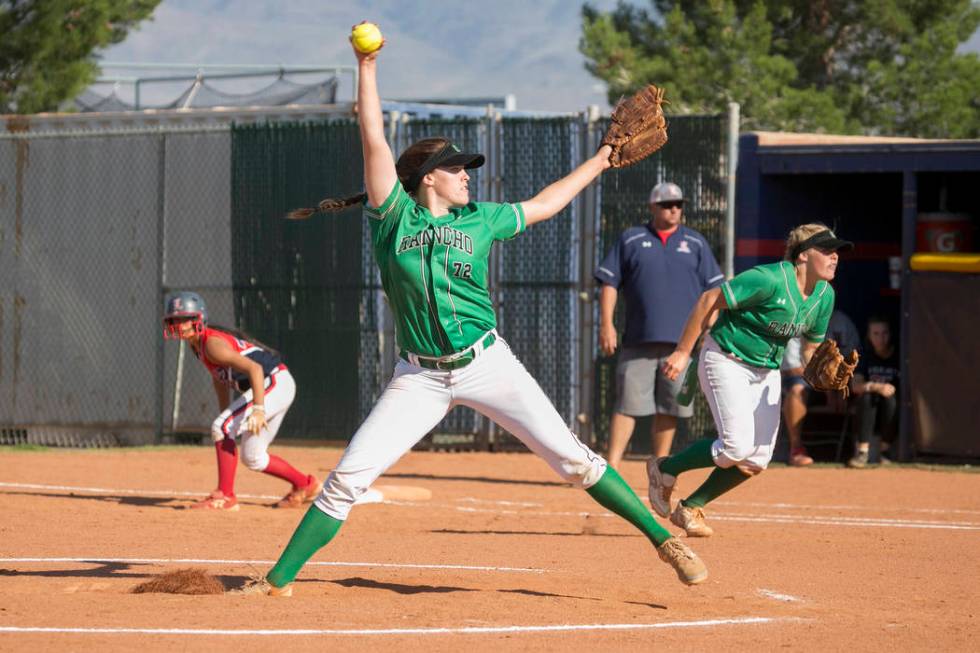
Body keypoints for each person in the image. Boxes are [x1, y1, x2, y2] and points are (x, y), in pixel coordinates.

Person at [235, 32, 706, 595]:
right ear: (428, 177)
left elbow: (547, 202)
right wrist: (365, 67)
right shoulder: (394, 219)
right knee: (345, 481)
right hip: (419, 377)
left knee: (574, 462)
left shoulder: (480, 220)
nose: (467, 176)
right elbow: (373, 140)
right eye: (457, 169)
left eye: (467, 170)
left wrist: (602, 159)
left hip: (487, 362)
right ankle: (275, 581)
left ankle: (663, 539)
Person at [648, 224, 853, 537]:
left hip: (765, 370)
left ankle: (690, 507)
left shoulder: (825, 296)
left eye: (836, 250)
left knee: (756, 459)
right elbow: (707, 301)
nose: (834, 256)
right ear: (802, 256)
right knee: (735, 447)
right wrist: (682, 351)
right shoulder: (769, 279)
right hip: (726, 358)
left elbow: (809, 348)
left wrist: (819, 371)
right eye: (826, 250)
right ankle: (665, 468)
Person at [595, 182, 724, 469]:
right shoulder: (631, 238)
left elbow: (713, 292)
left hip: (681, 345)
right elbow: (609, 283)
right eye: (667, 204)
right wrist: (606, 324)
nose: (674, 209)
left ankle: (660, 465)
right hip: (638, 339)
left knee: (671, 407)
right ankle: (611, 468)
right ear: (652, 207)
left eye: (679, 204)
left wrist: (708, 331)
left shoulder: (696, 242)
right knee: (626, 404)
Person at [162, 291, 322, 510]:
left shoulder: (211, 343)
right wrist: (225, 412)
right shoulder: (197, 346)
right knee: (253, 456)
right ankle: (305, 484)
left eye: (184, 319)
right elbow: (218, 379)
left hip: (273, 381)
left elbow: (255, 369)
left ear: (199, 319)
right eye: (174, 320)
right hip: (276, 385)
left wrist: (258, 409)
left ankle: (225, 496)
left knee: (222, 427)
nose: (178, 324)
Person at [847, 316, 900, 468]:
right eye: (875, 334)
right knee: (866, 397)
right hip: (869, 406)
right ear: (868, 336)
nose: (880, 338)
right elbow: (855, 385)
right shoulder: (864, 356)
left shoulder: (900, 355)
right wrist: (876, 387)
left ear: (890, 335)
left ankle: (885, 452)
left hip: (891, 407)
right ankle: (862, 453)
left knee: (891, 400)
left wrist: (887, 390)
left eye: (884, 333)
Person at [780, 336, 813, 466]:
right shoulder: (797, 319)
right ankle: (796, 449)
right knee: (796, 390)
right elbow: (793, 368)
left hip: (822, 381)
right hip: (799, 378)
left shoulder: (842, 323)